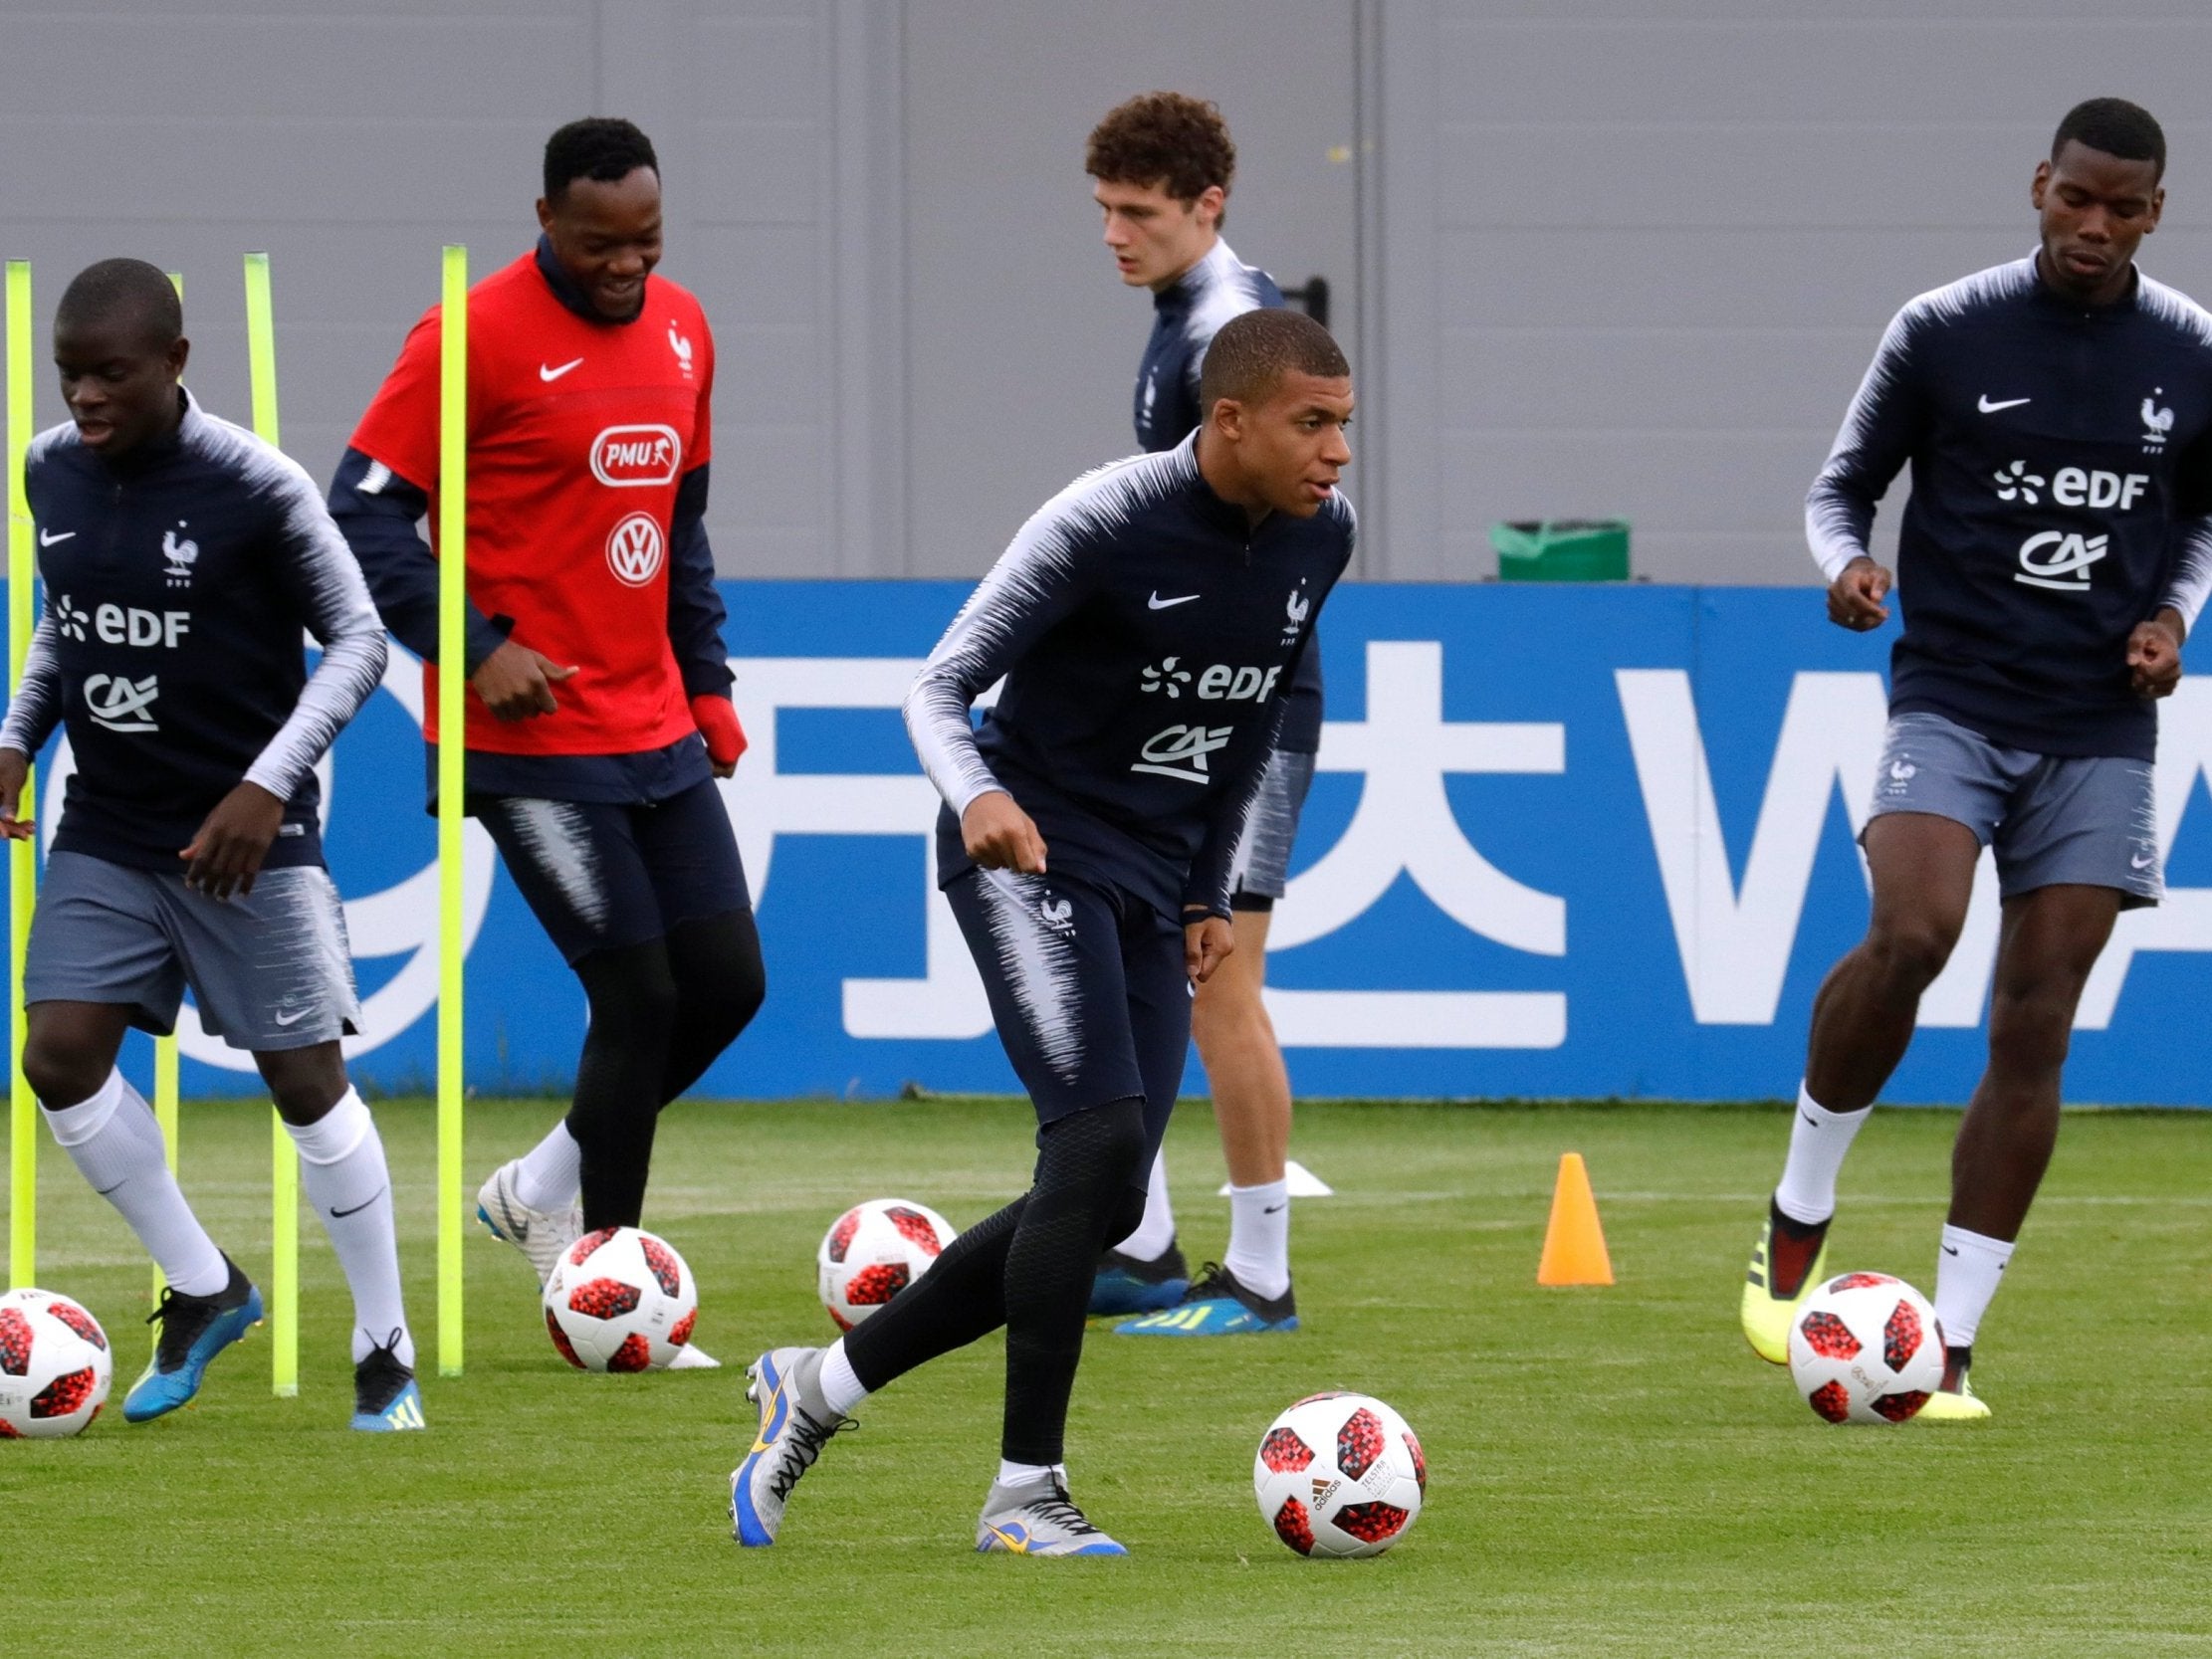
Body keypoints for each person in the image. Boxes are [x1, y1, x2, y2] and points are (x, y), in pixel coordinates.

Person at [727, 309, 1355, 1555]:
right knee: (1096, 1141)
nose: (1336, 453)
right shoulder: (1102, 518)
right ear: (1226, 419)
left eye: (1343, 424)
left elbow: (1248, 719)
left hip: (1152, 878)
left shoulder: (1318, 537)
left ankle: (818, 1387)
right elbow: (935, 685)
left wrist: (1202, 892)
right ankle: (1023, 1493)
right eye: (1312, 423)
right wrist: (982, 799)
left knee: (1109, 1191)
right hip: (1029, 850)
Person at [1739, 98, 2212, 1419]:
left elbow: (2195, 525)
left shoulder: (2190, 353)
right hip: (1950, 695)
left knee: (2036, 1013)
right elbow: (1840, 486)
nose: (2092, 225)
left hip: (2098, 728)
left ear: (2153, 214)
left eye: (2121, 208)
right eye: (2074, 198)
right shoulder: (1942, 329)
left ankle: (1947, 1341)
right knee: (1911, 930)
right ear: (2038, 186)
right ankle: (1800, 1199)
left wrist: (2173, 618)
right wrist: (1845, 565)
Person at [330, 118, 763, 1350]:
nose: (625, 265)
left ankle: (536, 1190)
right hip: (521, 737)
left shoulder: (686, 327)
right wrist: (474, 647)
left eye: (646, 241)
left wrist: (710, 682)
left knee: (727, 985)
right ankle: (618, 1302)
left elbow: (682, 530)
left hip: (654, 720)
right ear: (542, 218)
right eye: (597, 244)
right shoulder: (466, 334)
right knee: (635, 999)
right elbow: (358, 517)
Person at [0, 259, 420, 1431]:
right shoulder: (47, 470)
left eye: (110, 374)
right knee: (58, 1056)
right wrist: (20, 736)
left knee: (304, 1079)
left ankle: (383, 1342)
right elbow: (66, 618)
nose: (85, 397)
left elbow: (357, 642)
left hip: (247, 831)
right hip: (110, 821)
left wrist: (263, 786)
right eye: (69, 373)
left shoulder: (259, 486)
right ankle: (204, 1286)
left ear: (175, 364)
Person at [1084, 90, 1320, 1338]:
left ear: (1205, 207)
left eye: (1138, 213)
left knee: (1214, 977)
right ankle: (1141, 1242)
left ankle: (1262, 1276)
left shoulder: (1232, 328)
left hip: (1243, 703)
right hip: (1184, 695)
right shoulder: (1191, 314)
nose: (1113, 235)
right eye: (1105, 210)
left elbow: (1264, 538)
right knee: (1142, 962)